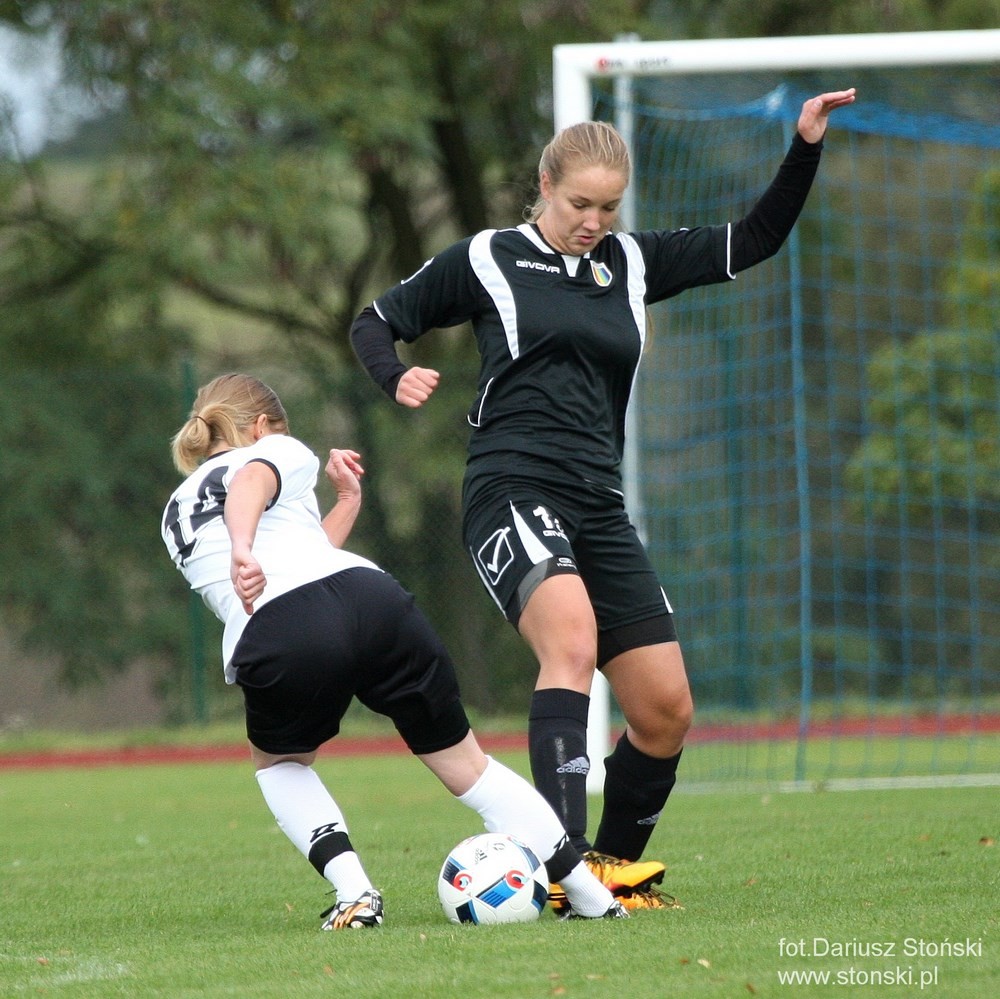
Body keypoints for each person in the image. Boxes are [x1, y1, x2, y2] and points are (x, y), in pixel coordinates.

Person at [350, 89, 857, 910]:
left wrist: (804, 145)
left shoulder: (632, 263)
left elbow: (757, 238)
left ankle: (610, 866)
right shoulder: (488, 258)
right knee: (572, 643)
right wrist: (393, 373)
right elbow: (376, 321)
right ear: (545, 185)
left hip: (598, 503)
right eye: (580, 203)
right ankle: (566, 867)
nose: (594, 221)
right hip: (511, 486)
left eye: (609, 207)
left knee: (665, 709)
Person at [160, 373, 628, 929]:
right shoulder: (276, 451)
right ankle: (592, 898)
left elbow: (294, 556)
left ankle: (356, 894)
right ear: (261, 425)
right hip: (373, 600)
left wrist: (345, 502)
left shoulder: (174, 512)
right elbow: (251, 484)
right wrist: (243, 547)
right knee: (468, 766)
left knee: (280, 764)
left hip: (285, 629)